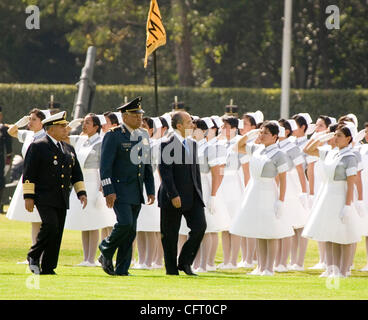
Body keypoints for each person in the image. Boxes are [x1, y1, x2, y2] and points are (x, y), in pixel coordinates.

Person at [24, 111, 87, 275]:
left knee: (57, 231)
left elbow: (76, 174)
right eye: (61, 126)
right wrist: (28, 197)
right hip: (43, 196)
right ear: (50, 129)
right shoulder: (38, 146)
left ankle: (48, 267)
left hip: (61, 197)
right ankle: (33, 255)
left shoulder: (68, 148)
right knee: (50, 225)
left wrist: (81, 193)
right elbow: (29, 173)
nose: (66, 129)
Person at [98, 97, 155, 276]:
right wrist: (108, 190)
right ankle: (105, 248)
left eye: (140, 115)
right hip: (119, 190)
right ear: (124, 117)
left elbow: (146, 164)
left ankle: (123, 269)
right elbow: (105, 166)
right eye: (135, 115)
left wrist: (150, 189)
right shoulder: (113, 135)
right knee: (125, 223)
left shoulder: (143, 135)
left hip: (136, 190)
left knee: (130, 232)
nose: (139, 118)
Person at [230, 121, 294, 276]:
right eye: (261, 132)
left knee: (270, 230)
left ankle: (269, 268)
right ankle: (260, 266)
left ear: (274, 136)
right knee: (258, 228)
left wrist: (281, 200)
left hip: (268, 191)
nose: (262, 135)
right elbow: (236, 147)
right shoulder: (257, 149)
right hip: (254, 190)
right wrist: (249, 135)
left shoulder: (279, 154)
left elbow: (283, 180)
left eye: (266, 133)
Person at [302, 123, 362, 277]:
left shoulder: (350, 156)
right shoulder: (331, 153)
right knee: (329, 233)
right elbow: (307, 150)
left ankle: (343, 270)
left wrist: (348, 205)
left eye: (339, 136)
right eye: (335, 135)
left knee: (344, 234)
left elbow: (351, 182)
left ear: (348, 138)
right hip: (328, 195)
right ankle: (332, 268)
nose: (336, 138)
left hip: (341, 195)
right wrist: (323, 136)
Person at [158, 111, 207, 276]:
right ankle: (171, 270)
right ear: (179, 126)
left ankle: (185, 262)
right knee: (170, 235)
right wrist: (173, 195)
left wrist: (199, 194)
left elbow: (195, 173)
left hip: (193, 197)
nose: (193, 125)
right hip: (173, 197)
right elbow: (165, 172)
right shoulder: (166, 144)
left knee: (200, 227)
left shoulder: (192, 144)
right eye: (189, 122)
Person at [64, 113, 116, 267]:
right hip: (82, 182)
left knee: (93, 222)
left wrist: (103, 185)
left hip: (95, 182)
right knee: (83, 220)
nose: (84, 125)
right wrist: (73, 124)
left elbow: (104, 165)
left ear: (96, 126)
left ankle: (91, 258)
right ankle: (86, 257)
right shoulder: (81, 140)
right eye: (84, 122)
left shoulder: (101, 141)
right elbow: (62, 134)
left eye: (87, 122)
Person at [6, 109, 49, 261]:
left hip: (40, 179)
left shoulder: (46, 137)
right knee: (34, 221)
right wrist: (21, 122)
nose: (30, 123)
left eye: (33, 120)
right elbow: (11, 131)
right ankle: (34, 254)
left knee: (42, 220)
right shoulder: (28, 134)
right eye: (30, 119)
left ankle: (42, 254)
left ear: (42, 122)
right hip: (28, 178)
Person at [0, 106, 12, 213]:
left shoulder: (3, 129)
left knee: (0, 182)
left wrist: (8, 163)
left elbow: (9, 150)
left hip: (0, 161)